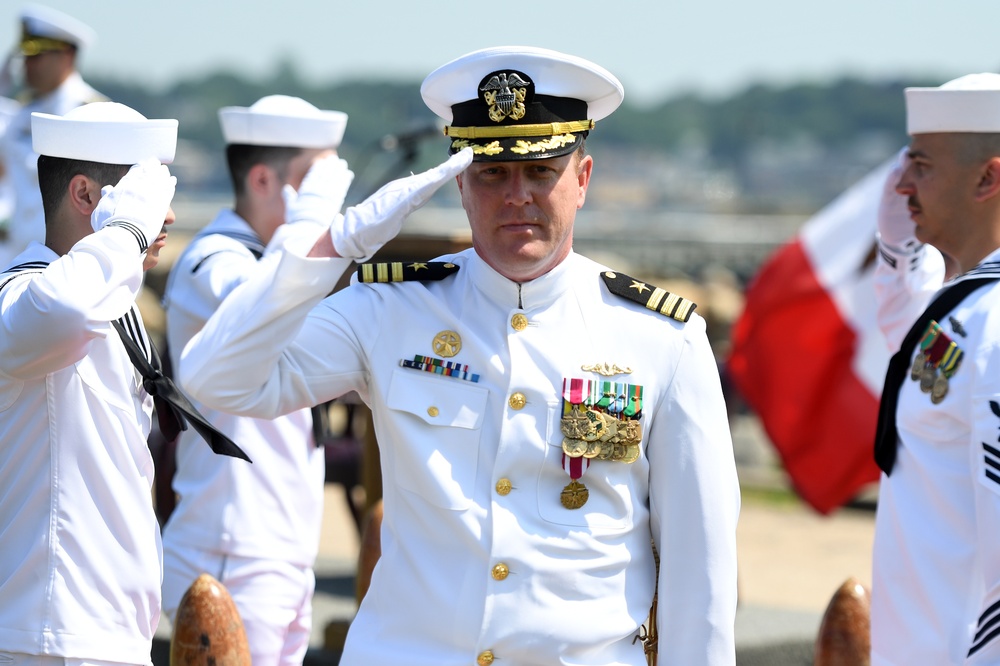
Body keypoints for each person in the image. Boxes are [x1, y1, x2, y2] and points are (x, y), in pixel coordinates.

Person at [180, 45, 740, 665]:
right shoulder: (390, 308)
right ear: (460, 185)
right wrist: (325, 248)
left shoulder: (661, 336)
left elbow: (700, 562)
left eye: (540, 171)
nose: (516, 196)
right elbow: (214, 379)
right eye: (491, 174)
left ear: (582, 179)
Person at [160, 94, 352, 665]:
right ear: (265, 180)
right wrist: (311, 239)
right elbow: (258, 305)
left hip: (279, 547)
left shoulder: (275, 262)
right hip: (232, 550)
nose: (328, 197)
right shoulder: (214, 259)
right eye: (314, 179)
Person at [0, 102, 179, 664]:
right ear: (85, 197)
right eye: (147, 201)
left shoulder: (110, 302)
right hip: (51, 633)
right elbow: (61, 311)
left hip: (105, 631)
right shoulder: (22, 295)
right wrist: (127, 229)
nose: (165, 219)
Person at [871, 72, 1000, 664]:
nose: (901, 183)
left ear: (988, 178)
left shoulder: (994, 326)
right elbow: (913, 340)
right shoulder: (968, 306)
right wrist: (898, 248)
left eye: (921, 165)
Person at [0, 4, 106, 268]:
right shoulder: (21, 114)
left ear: (67, 56)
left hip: (64, 266)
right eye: (25, 56)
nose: (27, 64)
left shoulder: (93, 114)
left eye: (37, 56)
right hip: (14, 259)